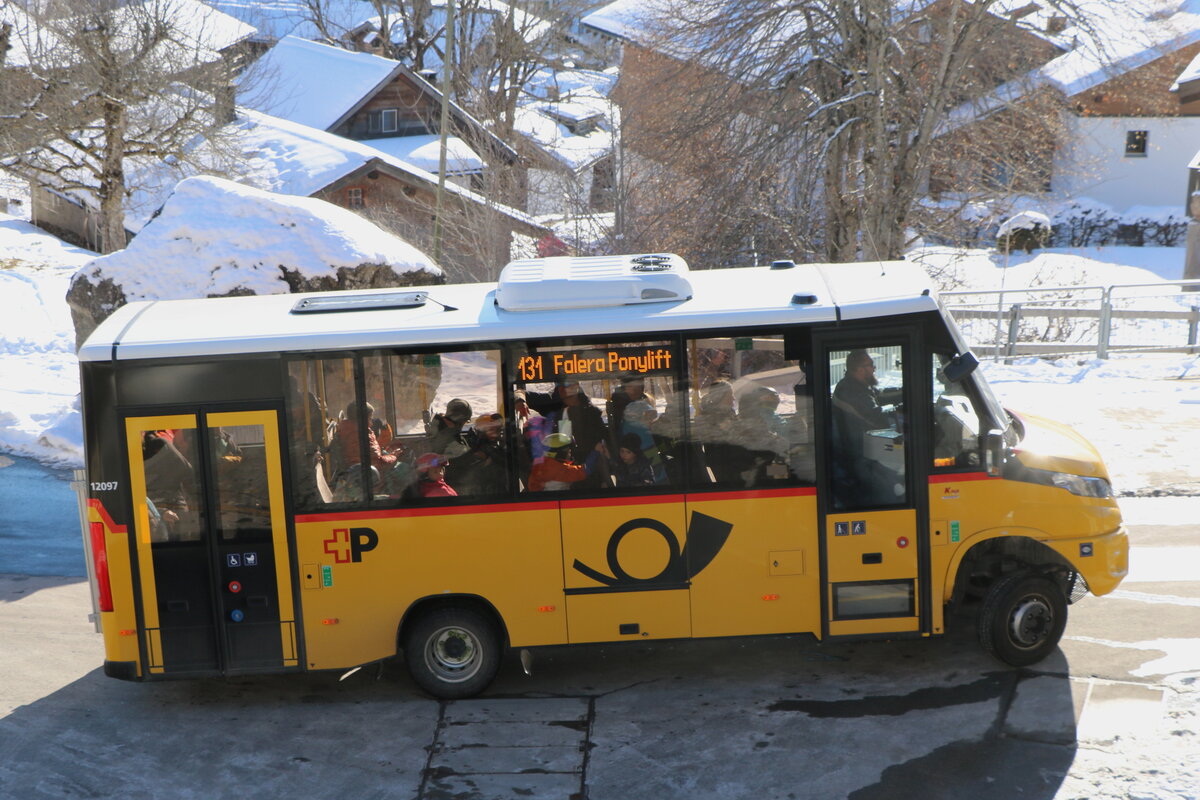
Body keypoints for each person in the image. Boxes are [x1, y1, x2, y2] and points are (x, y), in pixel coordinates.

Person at [446, 413, 507, 496]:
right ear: (483, 430)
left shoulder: (497, 446)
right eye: (493, 429)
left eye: (499, 429)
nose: (497, 433)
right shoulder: (472, 447)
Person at [529, 433, 607, 492]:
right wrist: (596, 451)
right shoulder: (557, 469)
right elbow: (585, 471)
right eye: (567, 451)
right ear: (559, 453)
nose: (570, 453)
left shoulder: (544, 464)